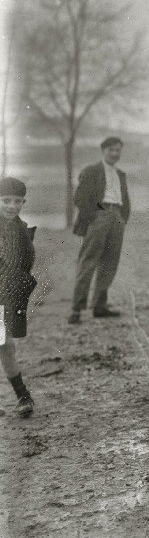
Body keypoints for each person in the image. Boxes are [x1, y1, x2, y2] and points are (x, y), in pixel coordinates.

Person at [69, 136, 130, 324]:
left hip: (116, 217)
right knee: (88, 261)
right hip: (99, 216)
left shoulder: (120, 174)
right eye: (111, 150)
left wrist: (122, 217)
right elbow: (79, 198)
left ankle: (99, 306)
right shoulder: (92, 171)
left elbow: (124, 199)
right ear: (103, 151)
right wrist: (94, 216)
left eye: (118, 150)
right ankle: (77, 309)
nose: (115, 154)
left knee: (110, 262)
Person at [0, 178, 37, 417]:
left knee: (6, 346)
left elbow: (25, 263)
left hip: (6, 294)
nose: (12, 206)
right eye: (6, 201)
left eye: (17, 201)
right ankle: (22, 394)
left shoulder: (21, 229)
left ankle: (23, 396)